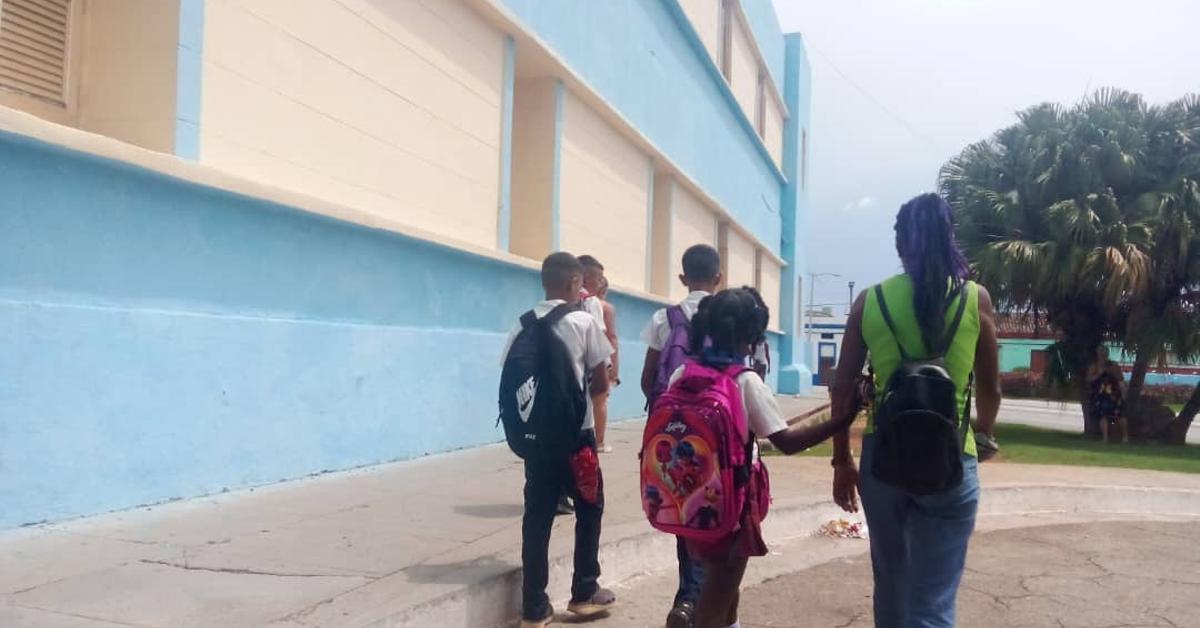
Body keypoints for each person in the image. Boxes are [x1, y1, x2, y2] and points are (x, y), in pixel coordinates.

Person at [828, 193, 1001, 628]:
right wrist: (984, 434)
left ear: (900, 244)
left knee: (891, 584)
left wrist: (842, 460)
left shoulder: (870, 301)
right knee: (933, 602)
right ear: (950, 238)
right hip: (951, 462)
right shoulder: (976, 300)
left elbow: (842, 389)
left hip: (883, 463)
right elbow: (991, 390)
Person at [669, 287, 858, 628]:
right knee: (719, 589)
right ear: (751, 337)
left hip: (686, 497)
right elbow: (786, 441)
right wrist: (843, 418)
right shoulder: (745, 382)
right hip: (731, 502)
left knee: (725, 589)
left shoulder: (682, 374)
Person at [502, 252, 618, 627]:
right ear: (574, 283)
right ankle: (584, 591)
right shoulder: (584, 322)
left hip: (536, 441)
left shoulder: (521, 325)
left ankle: (534, 608)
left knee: (537, 517)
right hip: (576, 438)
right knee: (589, 506)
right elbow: (601, 383)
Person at [639, 243, 723, 628]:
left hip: (672, 434)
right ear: (719, 279)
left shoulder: (664, 318)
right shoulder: (729, 316)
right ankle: (697, 600)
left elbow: (647, 379)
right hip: (718, 430)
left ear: (683, 278)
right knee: (716, 511)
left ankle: (688, 595)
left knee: (680, 507)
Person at [595, 276, 620, 452]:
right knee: (601, 401)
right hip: (601, 358)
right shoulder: (606, 308)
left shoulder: (577, 303)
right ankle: (599, 442)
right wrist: (614, 369)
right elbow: (612, 337)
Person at [1087, 347, 1127, 443]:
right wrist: (1099, 373)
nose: (1102, 356)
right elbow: (1089, 379)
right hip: (1101, 395)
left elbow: (1120, 380)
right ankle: (1105, 438)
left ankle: (1125, 437)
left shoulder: (1113, 365)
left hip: (1114, 394)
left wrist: (1124, 393)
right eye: (1101, 353)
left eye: (1104, 354)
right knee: (1102, 416)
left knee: (1120, 415)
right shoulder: (1095, 366)